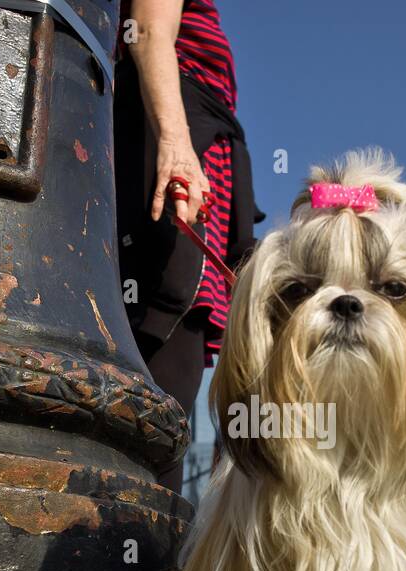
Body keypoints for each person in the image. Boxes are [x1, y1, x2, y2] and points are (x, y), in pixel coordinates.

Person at [114, 0, 263, 493]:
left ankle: (152, 538)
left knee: (172, 378)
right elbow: (148, 35)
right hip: (170, 152)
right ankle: (143, 544)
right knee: (165, 351)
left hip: (188, 152)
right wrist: (177, 150)